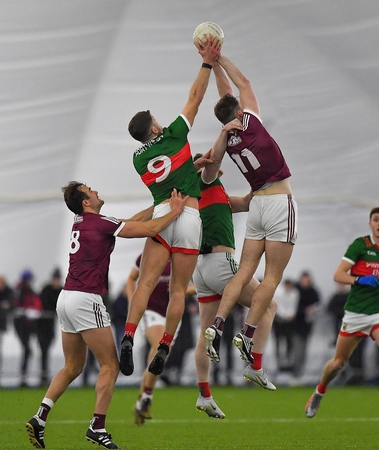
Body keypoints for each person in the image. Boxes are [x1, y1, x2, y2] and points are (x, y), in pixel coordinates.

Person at [25, 182, 188, 450]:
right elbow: (149, 229)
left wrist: (159, 206)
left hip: (66, 298)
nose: (96, 191)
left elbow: (130, 222)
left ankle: (40, 417)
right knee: (111, 365)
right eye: (91, 190)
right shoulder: (99, 223)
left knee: (72, 367)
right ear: (86, 202)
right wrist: (176, 211)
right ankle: (97, 427)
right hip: (87, 299)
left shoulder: (85, 223)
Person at [119, 35, 222, 378]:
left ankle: (129, 337)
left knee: (145, 284)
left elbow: (167, 180)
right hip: (190, 216)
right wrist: (207, 61)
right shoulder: (175, 133)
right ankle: (165, 344)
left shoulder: (138, 160)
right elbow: (195, 97)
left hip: (164, 213)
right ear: (154, 126)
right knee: (178, 289)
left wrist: (190, 166)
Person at [200, 51, 297, 366]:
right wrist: (220, 58)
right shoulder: (250, 120)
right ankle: (247, 331)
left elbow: (226, 95)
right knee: (272, 276)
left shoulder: (227, 141)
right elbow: (243, 83)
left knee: (244, 271)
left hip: (255, 205)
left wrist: (212, 66)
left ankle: (219, 323)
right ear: (240, 110)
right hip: (278, 200)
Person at [305, 207, 379, 430]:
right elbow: (338, 275)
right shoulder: (360, 245)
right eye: (376, 220)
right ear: (370, 224)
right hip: (356, 314)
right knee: (338, 363)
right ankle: (319, 391)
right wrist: (359, 279)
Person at [191, 151, 277, 419]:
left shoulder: (209, 195)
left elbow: (245, 202)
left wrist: (259, 187)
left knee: (205, 334)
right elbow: (212, 163)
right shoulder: (206, 182)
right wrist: (228, 132)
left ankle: (204, 394)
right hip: (220, 262)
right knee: (268, 304)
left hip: (201, 268)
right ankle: (256, 364)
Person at [126, 254, 171, 426]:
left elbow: (195, 284)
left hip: (172, 314)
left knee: (157, 356)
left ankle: (141, 399)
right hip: (150, 311)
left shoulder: (181, 255)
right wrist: (133, 301)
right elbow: (131, 279)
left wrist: (180, 289)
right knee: (161, 348)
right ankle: (147, 396)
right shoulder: (147, 255)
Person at [15, 270, 43, 388]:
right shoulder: (18, 292)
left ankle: (24, 376)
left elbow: (37, 304)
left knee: (28, 350)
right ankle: (23, 376)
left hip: (31, 324)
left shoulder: (31, 292)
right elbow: (16, 306)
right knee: (27, 349)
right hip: (22, 325)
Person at [293, 272, 320, 381]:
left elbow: (318, 305)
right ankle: (295, 371)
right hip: (296, 325)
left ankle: (300, 371)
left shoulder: (313, 292)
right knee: (297, 349)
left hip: (307, 326)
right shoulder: (296, 291)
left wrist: (312, 310)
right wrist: (304, 311)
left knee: (303, 350)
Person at [38, 269, 62, 385]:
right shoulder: (47, 290)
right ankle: (43, 374)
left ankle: (44, 374)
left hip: (51, 325)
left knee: (46, 350)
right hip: (42, 325)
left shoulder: (60, 290)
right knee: (43, 350)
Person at [273, 279, 299, 374]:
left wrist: (291, 315)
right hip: (279, 321)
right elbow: (278, 307)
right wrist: (286, 315)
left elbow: (294, 306)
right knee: (278, 342)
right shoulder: (279, 293)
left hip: (290, 322)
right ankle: (279, 361)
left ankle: (288, 361)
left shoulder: (294, 293)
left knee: (289, 341)